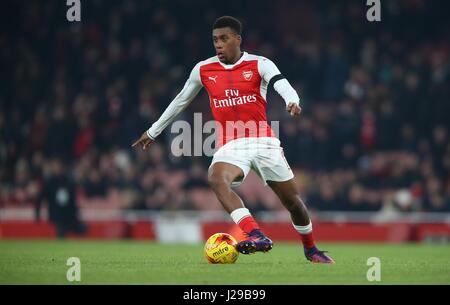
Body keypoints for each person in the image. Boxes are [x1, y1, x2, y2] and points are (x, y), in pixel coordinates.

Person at [132, 16, 334, 263]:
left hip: (263, 141)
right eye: (215, 40)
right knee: (216, 177)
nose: (218, 44)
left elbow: (282, 84)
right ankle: (256, 234)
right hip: (231, 144)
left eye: (224, 39)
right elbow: (180, 100)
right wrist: (153, 131)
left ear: (238, 39)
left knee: (293, 203)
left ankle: (311, 249)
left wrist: (293, 101)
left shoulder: (260, 64)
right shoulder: (203, 69)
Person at [35, 158, 87, 239]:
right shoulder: (50, 182)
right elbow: (40, 197)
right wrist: (37, 214)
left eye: (57, 166)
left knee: (83, 229)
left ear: (62, 167)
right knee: (61, 232)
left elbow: (73, 200)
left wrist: (76, 213)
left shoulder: (69, 181)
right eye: (54, 166)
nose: (56, 168)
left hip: (69, 215)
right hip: (57, 215)